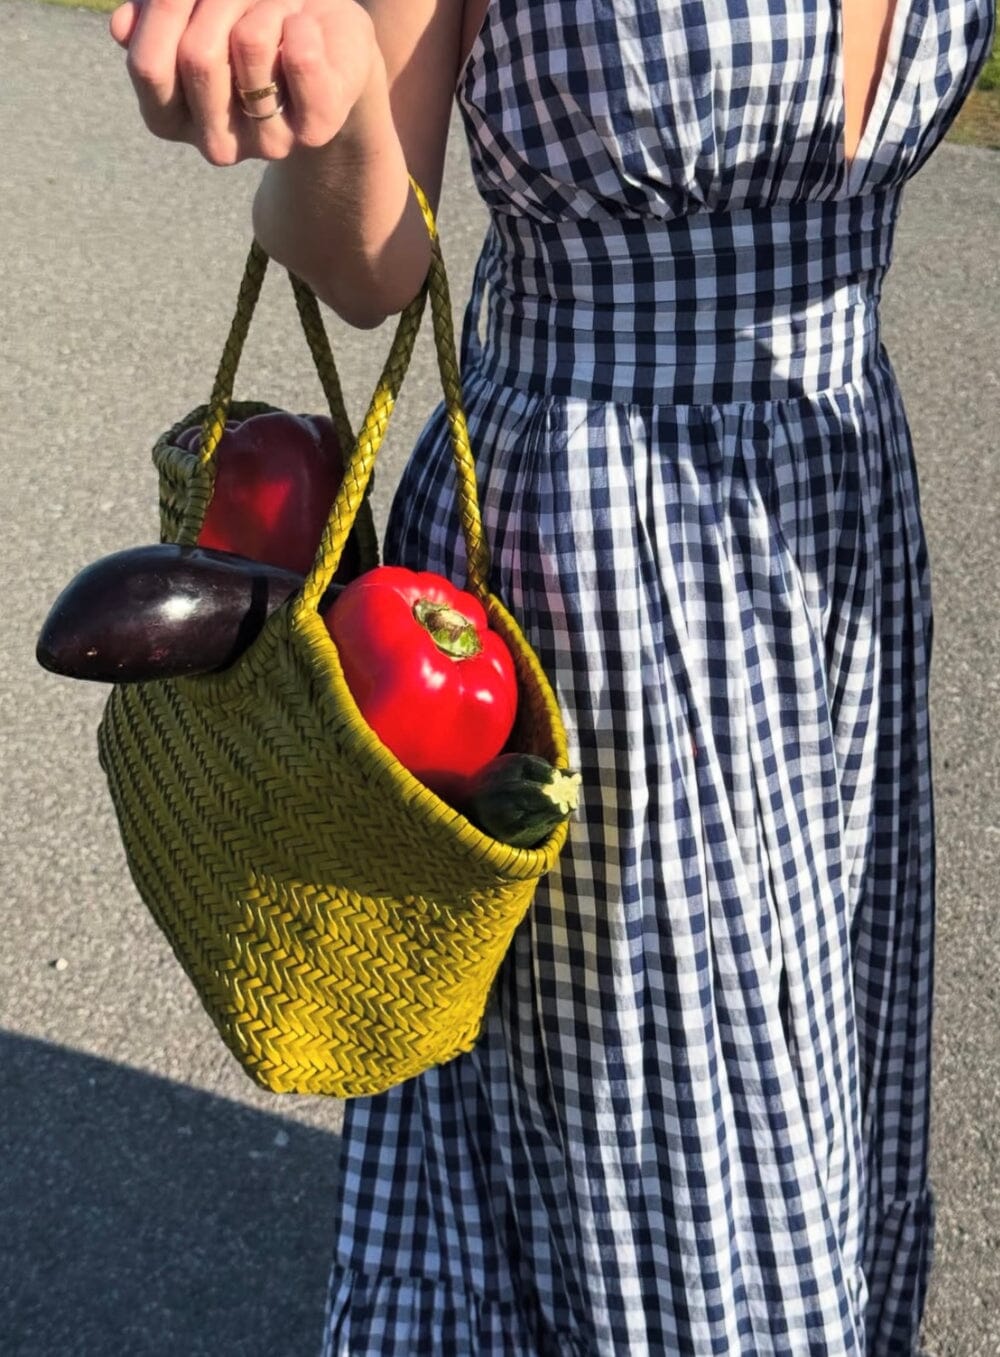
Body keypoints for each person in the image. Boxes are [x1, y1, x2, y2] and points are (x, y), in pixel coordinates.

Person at [109, 0, 995, 1351]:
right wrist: (325, 91)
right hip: (606, 559)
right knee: (674, 1176)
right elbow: (364, 262)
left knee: (828, 1083)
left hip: (844, 512)